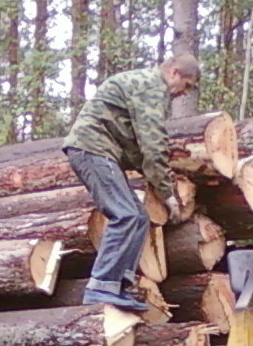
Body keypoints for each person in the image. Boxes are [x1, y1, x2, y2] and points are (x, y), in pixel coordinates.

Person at [63, 54, 201, 312]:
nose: (185, 93)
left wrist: (160, 180)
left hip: (102, 152)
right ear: (174, 73)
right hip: (92, 149)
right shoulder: (151, 86)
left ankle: (119, 285)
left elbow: (137, 148)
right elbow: (152, 145)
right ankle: (100, 287)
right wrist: (167, 194)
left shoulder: (147, 87)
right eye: (187, 85)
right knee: (125, 215)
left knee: (138, 216)